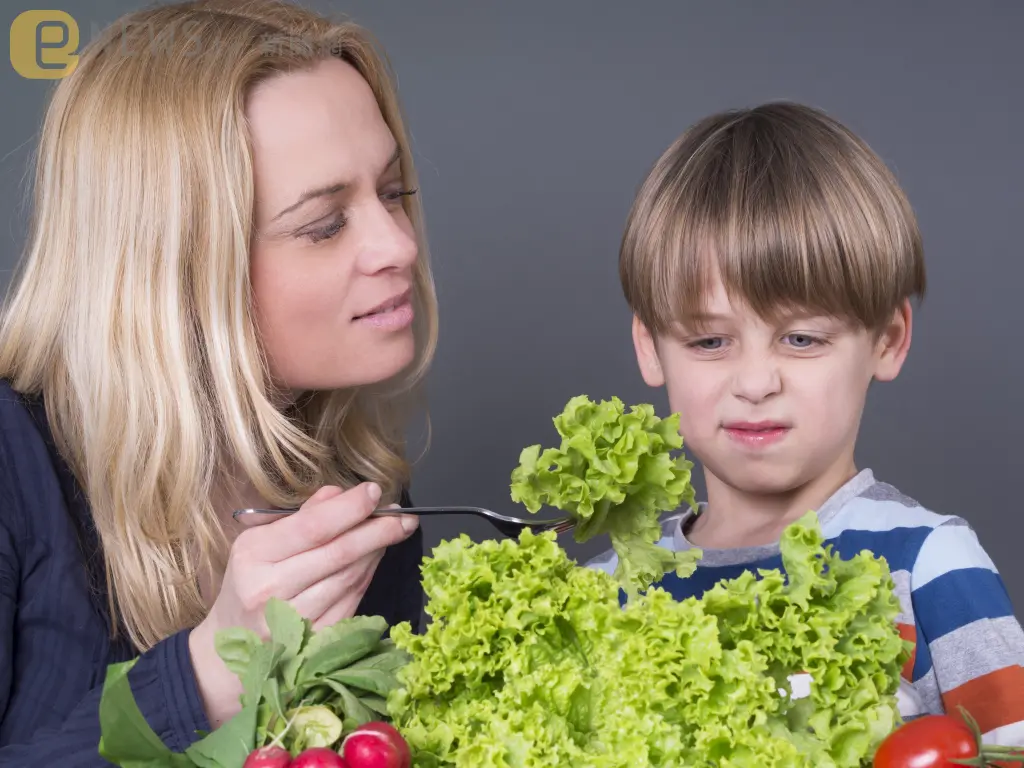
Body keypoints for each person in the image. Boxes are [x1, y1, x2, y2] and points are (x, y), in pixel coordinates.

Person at [0, 0, 439, 763]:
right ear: (171, 271)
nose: (396, 244)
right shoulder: (12, 464)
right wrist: (207, 673)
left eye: (393, 192)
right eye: (325, 224)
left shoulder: (353, 475)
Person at [589, 102, 1024, 744]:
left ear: (888, 339)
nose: (757, 383)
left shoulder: (926, 567)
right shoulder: (604, 593)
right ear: (651, 348)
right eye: (710, 342)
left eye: (800, 339)